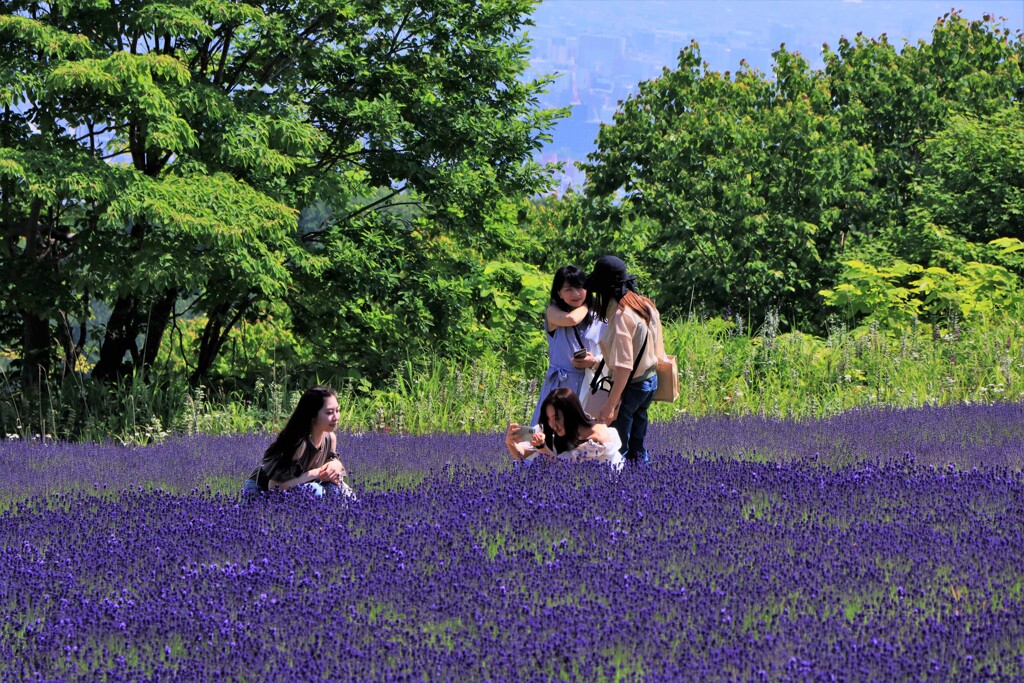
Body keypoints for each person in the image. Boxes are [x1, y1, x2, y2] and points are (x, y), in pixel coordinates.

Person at [584, 255, 666, 466]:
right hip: (649, 381)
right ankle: (642, 473)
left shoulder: (622, 316)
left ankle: (621, 486)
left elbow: (624, 367)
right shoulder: (645, 304)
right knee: (638, 440)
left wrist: (610, 404)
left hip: (630, 385)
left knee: (619, 444)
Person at [243, 385, 355, 498]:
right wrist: (317, 473)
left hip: (300, 487)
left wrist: (336, 465)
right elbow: (274, 487)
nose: (336, 417)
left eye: (337, 410)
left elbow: (330, 470)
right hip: (260, 490)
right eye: (329, 412)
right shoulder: (299, 444)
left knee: (344, 493)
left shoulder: (330, 438)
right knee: (315, 491)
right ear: (313, 415)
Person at [529, 265, 605, 427]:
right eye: (568, 289)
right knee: (550, 433)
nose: (576, 294)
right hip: (560, 386)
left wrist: (593, 361)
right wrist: (587, 303)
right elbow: (571, 319)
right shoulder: (553, 312)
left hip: (588, 384)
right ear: (559, 293)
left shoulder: (599, 316)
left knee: (584, 437)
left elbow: (608, 352)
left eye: (580, 287)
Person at [506, 387, 624, 470]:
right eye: (548, 418)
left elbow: (561, 468)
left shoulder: (594, 439)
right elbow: (523, 455)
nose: (552, 424)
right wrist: (511, 443)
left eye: (556, 418)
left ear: (571, 414)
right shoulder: (557, 429)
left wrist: (542, 447)